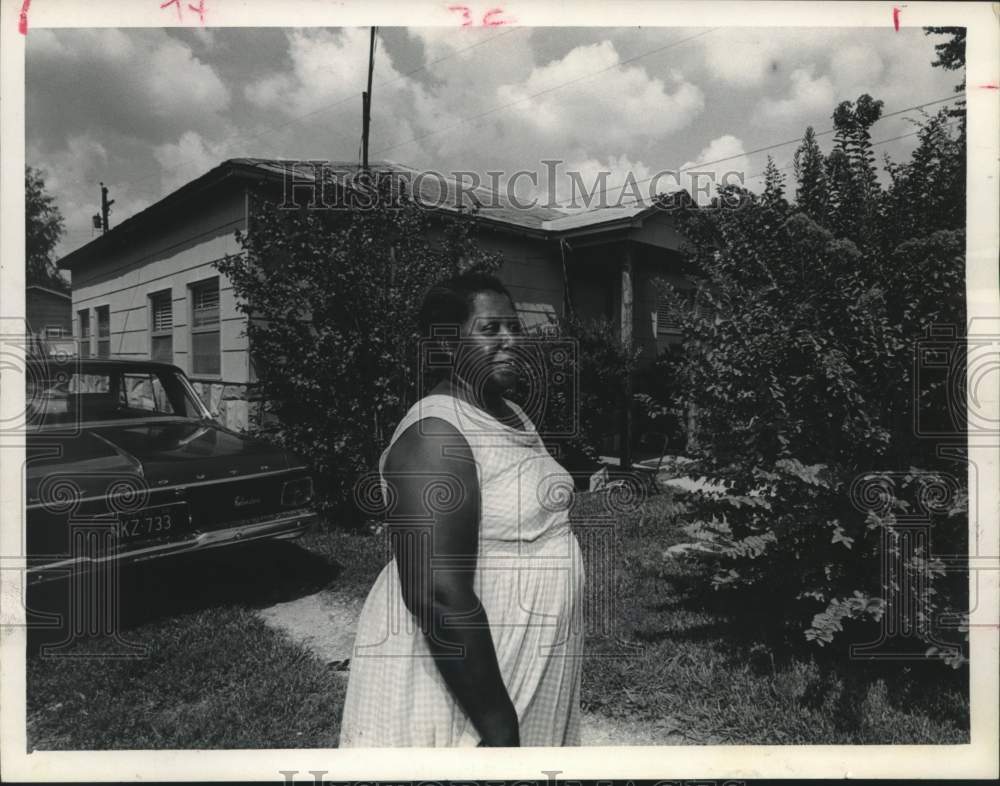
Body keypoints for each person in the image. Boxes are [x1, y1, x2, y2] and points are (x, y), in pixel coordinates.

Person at [339, 271, 585, 747]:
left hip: (521, 658)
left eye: (515, 327)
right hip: (466, 683)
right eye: (491, 329)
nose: (511, 340)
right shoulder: (435, 435)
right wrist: (496, 723)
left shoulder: (509, 412)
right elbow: (437, 595)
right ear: (448, 345)